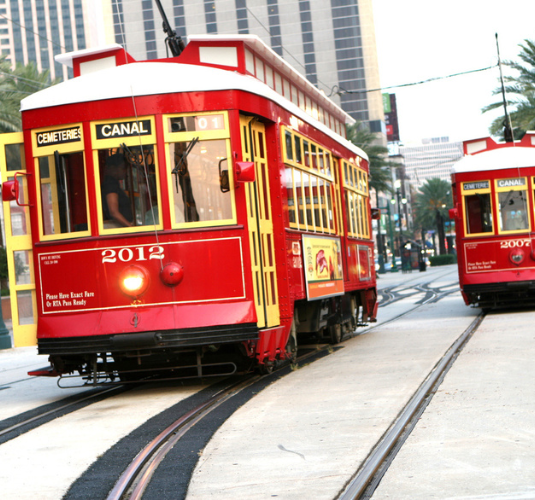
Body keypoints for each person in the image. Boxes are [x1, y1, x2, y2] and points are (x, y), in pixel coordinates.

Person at [101, 153, 133, 227]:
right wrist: (131, 228)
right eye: (123, 168)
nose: (125, 171)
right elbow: (113, 212)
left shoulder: (112, 183)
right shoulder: (110, 184)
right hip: (116, 228)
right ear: (112, 168)